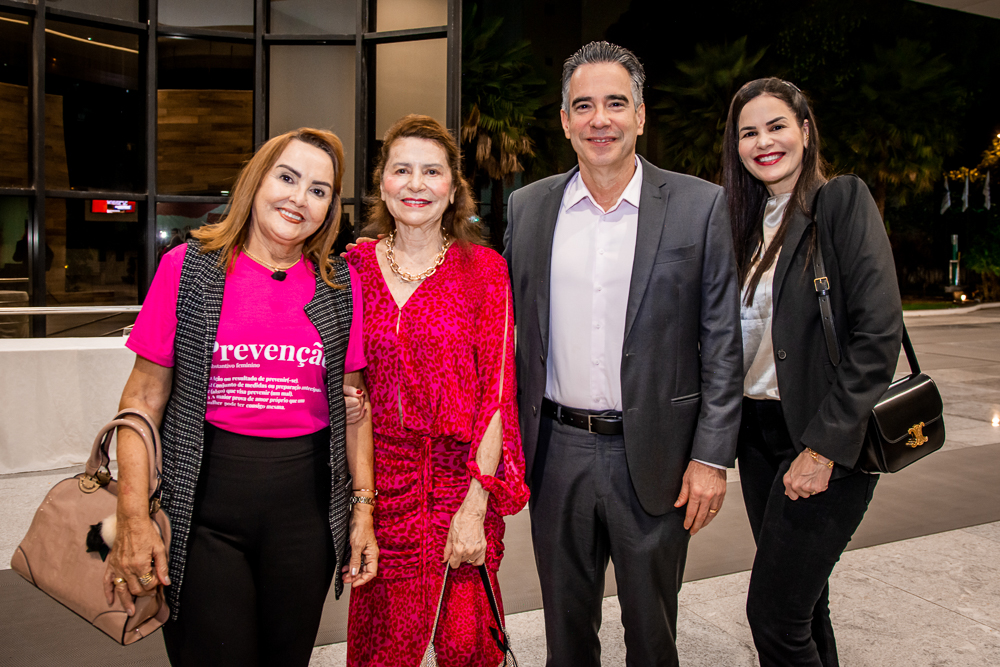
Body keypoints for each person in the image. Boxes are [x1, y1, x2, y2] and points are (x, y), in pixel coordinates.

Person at [503, 42, 743, 666]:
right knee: (565, 635)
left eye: (615, 103)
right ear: (564, 120)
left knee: (653, 634)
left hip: (658, 457)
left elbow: (722, 341)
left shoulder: (700, 206)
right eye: (583, 106)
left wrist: (711, 457)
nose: (599, 119)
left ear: (640, 114)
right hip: (554, 455)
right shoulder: (527, 210)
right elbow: (507, 334)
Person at [103, 128, 378, 666]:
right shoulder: (188, 270)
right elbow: (139, 403)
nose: (300, 199)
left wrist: (363, 508)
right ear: (256, 182)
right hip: (203, 515)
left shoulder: (340, 286)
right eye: (288, 178)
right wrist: (133, 517)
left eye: (319, 190)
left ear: (330, 209)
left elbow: (355, 409)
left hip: (305, 522)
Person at [722, 78, 903, 666]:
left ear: (804, 130)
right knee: (805, 605)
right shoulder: (744, 222)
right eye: (749, 132)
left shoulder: (840, 202)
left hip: (825, 437)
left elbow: (878, 336)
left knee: (772, 617)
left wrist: (823, 449)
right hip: (757, 437)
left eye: (776, 126)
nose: (763, 142)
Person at [344, 114, 529, 666]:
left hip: (459, 484)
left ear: (453, 187)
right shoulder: (352, 268)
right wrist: (361, 504)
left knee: (464, 646)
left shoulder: (484, 271)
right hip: (382, 487)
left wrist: (475, 505)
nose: (417, 184)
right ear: (383, 183)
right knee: (381, 646)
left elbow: (497, 395)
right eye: (402, 170)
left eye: (432, 171)